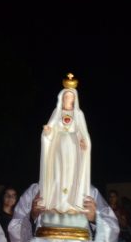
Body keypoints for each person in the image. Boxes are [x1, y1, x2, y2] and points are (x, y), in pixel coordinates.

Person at [39, 74, 92, 214]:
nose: (68, 99)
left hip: (73, 148)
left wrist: (83, 141)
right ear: (61, 98)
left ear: (75, 99)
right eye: (66, 96)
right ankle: (57, 203)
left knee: (71, 173)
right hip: (58, 146)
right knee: (58, 172)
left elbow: (82, 132)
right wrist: (48, 131)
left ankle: (71, 204)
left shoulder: (79, 114)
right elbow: (51, 129)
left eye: (71, 97)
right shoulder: (57, 112)